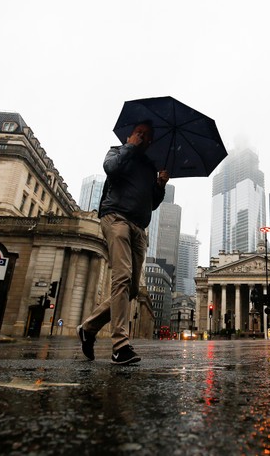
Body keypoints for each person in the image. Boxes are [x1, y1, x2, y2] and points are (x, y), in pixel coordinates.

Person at [77, 121, 168, 365]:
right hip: (115, 216)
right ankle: (120, 345)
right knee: (122, 277)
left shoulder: (150, 167)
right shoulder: (117, 152)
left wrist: (160, 185)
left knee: (133, 290)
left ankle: (88, 328)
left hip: (139, 227)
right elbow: (111, 169)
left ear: (151, 142)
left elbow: (152, 203)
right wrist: (129, 147)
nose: (143, 137)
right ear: (130, 135)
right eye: (139, 132)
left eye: (147, 136)